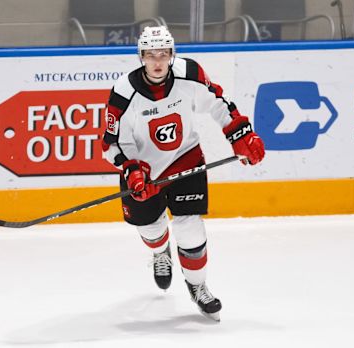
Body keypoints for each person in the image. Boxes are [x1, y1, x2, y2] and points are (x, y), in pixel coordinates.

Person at [101, 26, 265, 321]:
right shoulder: (124, 93)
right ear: (141, 56)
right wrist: (133, 170)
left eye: (163, 53)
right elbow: (111, 143)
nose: (158, 61)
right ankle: (160, 251)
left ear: (171, 54)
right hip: (143, 170)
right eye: (151, 55)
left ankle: (198, 286)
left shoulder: (189, 74)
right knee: (150, 228)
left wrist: (241, 134)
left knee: (189, 228)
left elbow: (219, 104)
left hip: (184, 160)